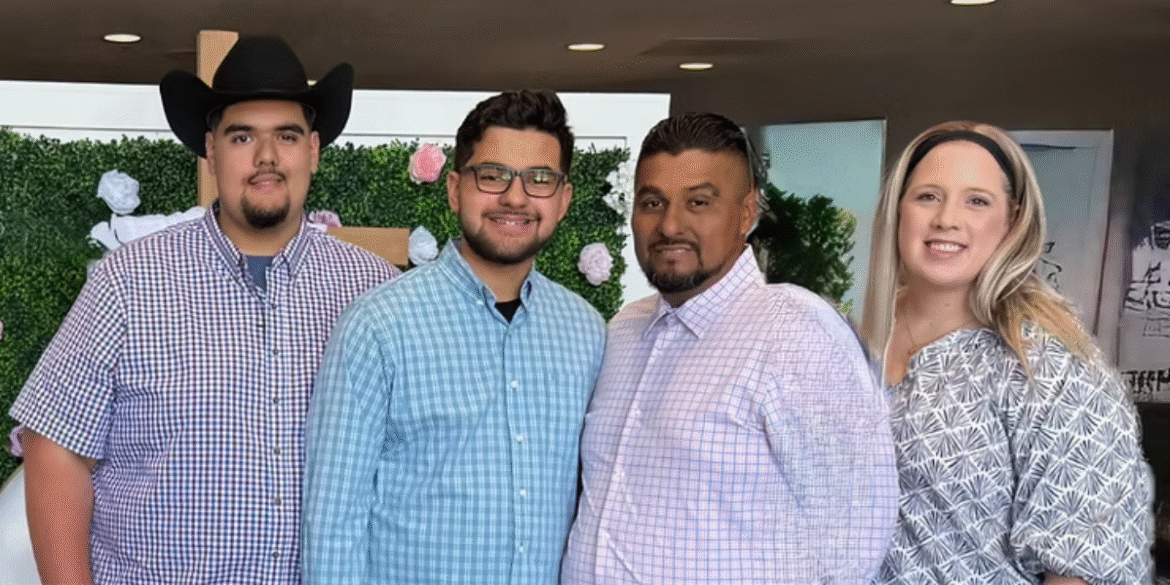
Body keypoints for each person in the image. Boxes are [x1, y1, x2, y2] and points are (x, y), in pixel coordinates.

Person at [10, 36, 399, 584]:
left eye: (286, 136)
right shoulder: (128, 282)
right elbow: (56, 450)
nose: (266, 157)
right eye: (242, 136)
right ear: (211, 152)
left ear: (313, 150)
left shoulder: (375, 292)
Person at [561, 112, 898, 584]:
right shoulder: (624, 331)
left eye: (698, 202)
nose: (670, 225)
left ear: (746, 213)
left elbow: (856, 534)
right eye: (652, 202)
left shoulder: (794, 332)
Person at [302, 89, 606, 585]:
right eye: (492, 175)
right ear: (454, 189)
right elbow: (334, 520)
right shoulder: (379, 325)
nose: (515, 197)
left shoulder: (585, 332)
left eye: (539, 179)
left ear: (564, 199)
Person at [860, 120, 1153, 584]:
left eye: (977, 201)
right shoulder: (850, 344)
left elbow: (1079, 564)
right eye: (928, 196)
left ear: (1012, 221)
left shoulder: (1051, 364)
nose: (946, 219)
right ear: (898, 210)